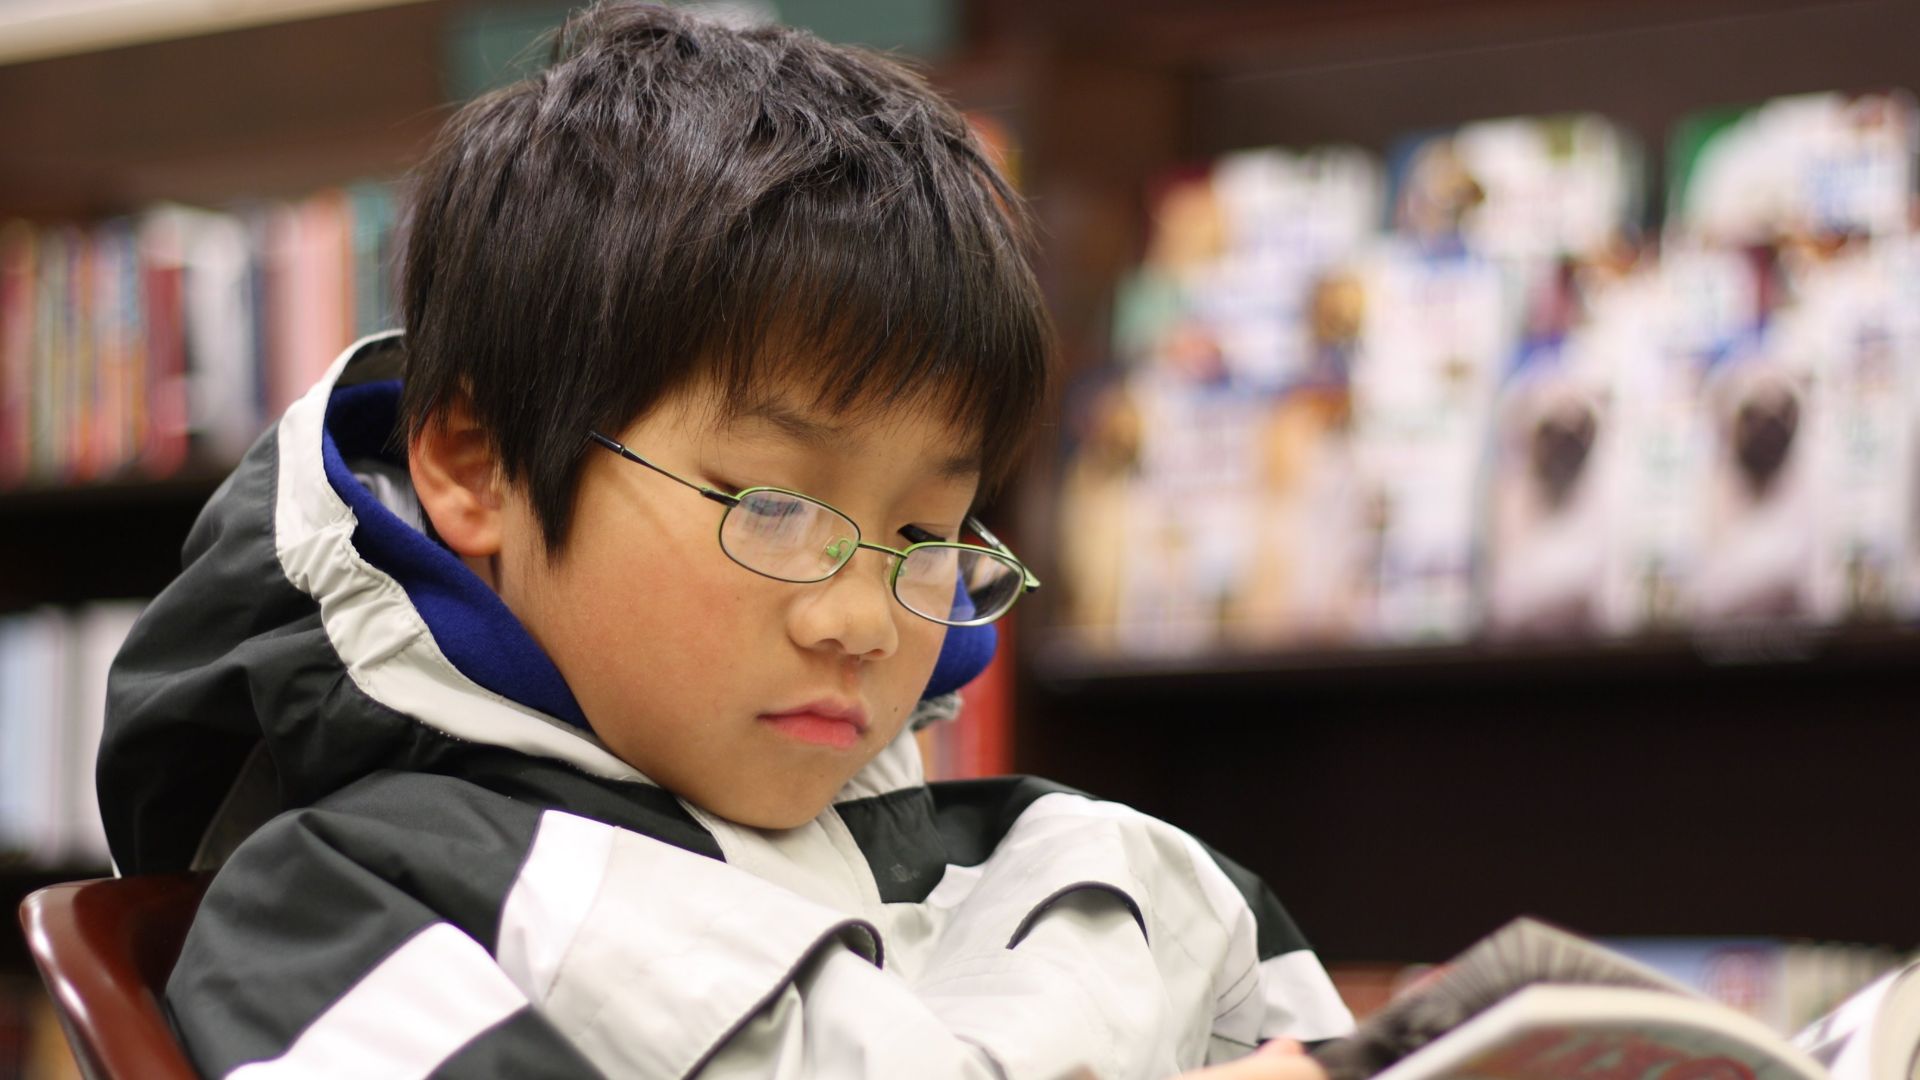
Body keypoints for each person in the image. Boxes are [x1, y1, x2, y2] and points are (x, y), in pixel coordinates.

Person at [97, 4, 1354, 1076]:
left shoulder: (1102, 872)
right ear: (476, 466)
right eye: (772, 507)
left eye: (923, 529)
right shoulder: (347, 908)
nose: (860, 617)